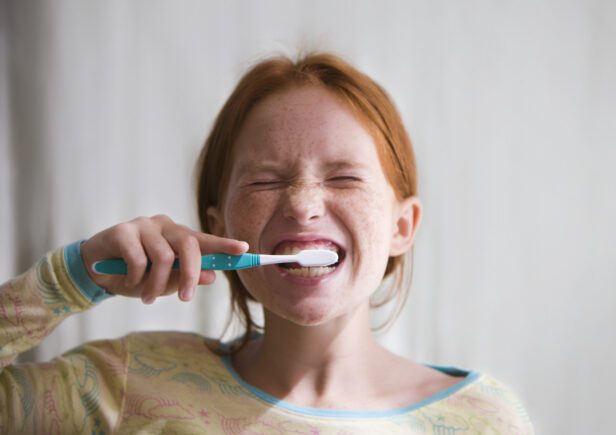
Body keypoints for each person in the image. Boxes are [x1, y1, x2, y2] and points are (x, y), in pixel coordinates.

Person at [0, 52, 534, 433]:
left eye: (344, 177)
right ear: (219, 222)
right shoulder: (126, 383)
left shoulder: (482, 421)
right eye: (264, 180)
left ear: (402, 226)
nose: (302, 204)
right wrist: (70, 278)